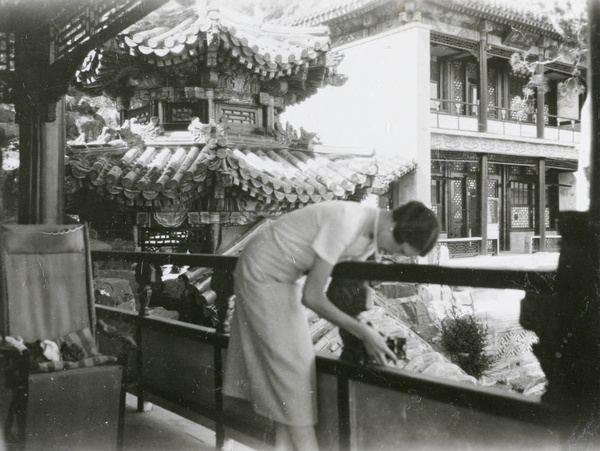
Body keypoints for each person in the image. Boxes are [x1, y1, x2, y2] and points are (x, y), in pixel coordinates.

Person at [223, 200, 440, 450]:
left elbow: (342, 292)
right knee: (293, 368)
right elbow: (313, 296)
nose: (396, 255)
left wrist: (366, 327)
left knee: (293, 372)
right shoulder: (347, 222)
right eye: (400, 250)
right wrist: (365, 333)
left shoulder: (371, 236)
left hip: (284, 280)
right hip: (262, 272)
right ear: (393, 228)